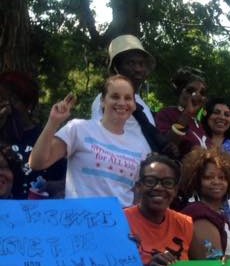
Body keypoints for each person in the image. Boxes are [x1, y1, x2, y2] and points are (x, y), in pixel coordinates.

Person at [29, 76, 150, 206]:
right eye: (115, 97)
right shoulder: (79, 129)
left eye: (127, 98)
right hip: (80, 221)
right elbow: (37, 163)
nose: (121, 103)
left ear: (133, 104)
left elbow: (139, 192)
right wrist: (53, 122)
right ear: (103, 101)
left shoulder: (141, 146)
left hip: (120, 222)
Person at [0, 71, 66, 198]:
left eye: (12, 101)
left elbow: (64, 182)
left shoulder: (46, 139)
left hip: (38, 213)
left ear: (28, 105)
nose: (6, 107)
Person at [89, 35, 158, 149]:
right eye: (131, 63)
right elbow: (101, 139)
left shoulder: (141, 103)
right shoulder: (107, 100)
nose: (138, 69)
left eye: (141, 64)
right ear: (116, 67)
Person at [179, 148, 230, 259]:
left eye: (222, 178)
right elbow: (212, 263)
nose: (216, 182)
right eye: (208, 177)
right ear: (196, 181)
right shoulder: (197, 213)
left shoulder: (220, 215)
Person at [154, 67, 207, 157]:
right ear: (180, 91)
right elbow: (166, 146)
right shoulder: (166, 114)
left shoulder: (201, 124)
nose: (197, 95)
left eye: (202, 93)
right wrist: (187, 114)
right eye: (191, 90)